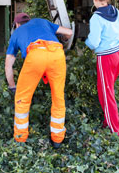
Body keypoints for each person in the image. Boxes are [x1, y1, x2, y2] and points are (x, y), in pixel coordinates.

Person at [5, 13, 73, 148]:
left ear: (16, 24)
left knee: (22, 98)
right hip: (57, 54)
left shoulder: (17, 33)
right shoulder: (42, 21)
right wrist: (62, 39)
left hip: (36, 54)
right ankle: (57, 140)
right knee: (58, 97)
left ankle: (20, 139)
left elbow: (8, 65)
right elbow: (69, 32)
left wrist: (13, 86)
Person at [85, 0, 119, 137]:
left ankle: (115, 130)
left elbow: (94, 42)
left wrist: (86, 43)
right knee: (108, 89)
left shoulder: (96, 18)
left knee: (106, 92)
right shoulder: (115, 11)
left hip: (106, 58)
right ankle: (107, 121)